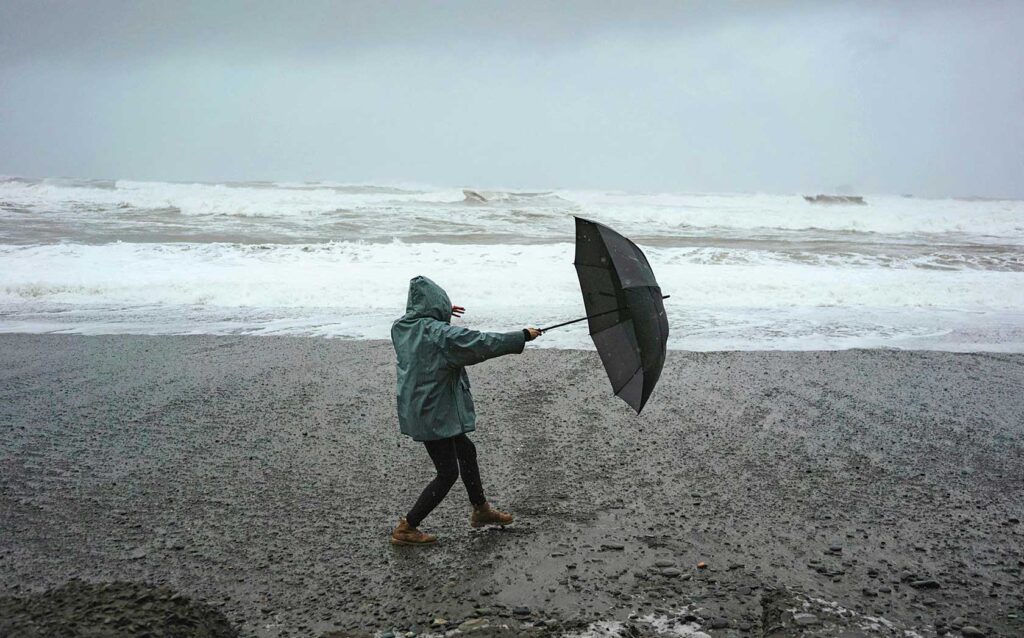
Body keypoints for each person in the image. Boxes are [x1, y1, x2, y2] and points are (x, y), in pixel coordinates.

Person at [389, 275, 542, 545]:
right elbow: (481, 342)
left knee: (466, 450)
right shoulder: (439, 334)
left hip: (422, 406)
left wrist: (440, 312)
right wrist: (521, 337)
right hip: (433, 413)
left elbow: (428, 328)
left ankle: (481, 510)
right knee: (447, 473)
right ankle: (408, 526)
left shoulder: (403, 328)